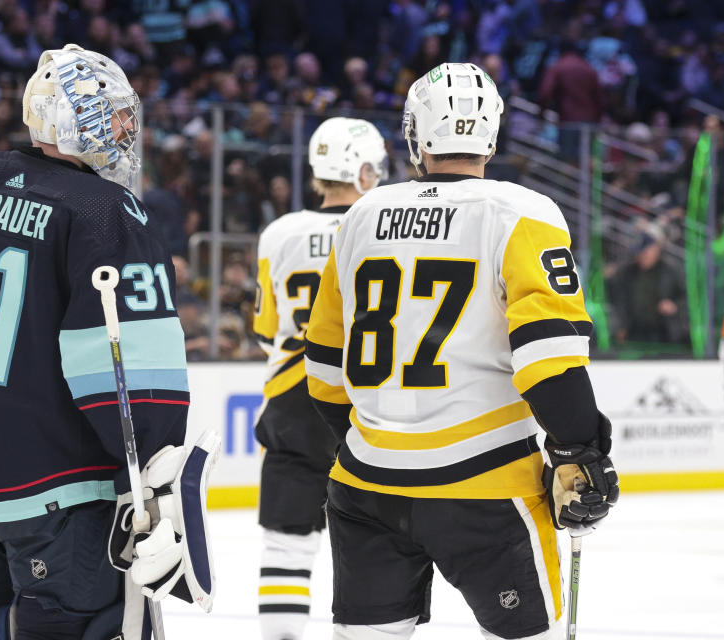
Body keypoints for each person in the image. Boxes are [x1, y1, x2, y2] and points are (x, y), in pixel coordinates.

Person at [0, 45, 216, 640]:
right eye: (114, 115)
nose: (126, 129)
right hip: (55, 501)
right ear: (77, 121)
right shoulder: (104, 212)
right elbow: (132, 393)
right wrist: (153, 483)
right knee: (86, 626)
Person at [304, 63, 619, 640]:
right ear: (491, 134)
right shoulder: (524, 212)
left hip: (365, 484)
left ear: (415, 133)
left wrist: (379, 438)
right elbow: (548, 358)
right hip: (485, 483)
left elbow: (324, 366)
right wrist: (580, 448)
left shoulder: (360, 216)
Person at [252, 117, 387, 640]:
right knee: (373, 541)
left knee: (286, 542)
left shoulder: (279, 233)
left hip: (292, 397)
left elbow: (266, 328)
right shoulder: (382, 225)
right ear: (361, 169)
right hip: (367, 401)